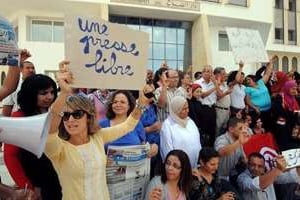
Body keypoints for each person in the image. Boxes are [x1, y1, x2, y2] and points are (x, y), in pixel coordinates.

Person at [45, 60, 148, 200]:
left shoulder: (98, 137)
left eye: (77, 114)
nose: (70, 120)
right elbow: (49, 131)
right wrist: (64, 93)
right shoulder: (58, 149)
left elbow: (128, 125)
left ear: (88, 117)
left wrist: (140, 105)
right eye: (66, 115)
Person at [4, 74, 62, 200]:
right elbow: (10, 155)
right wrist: (27, 187)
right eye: (43, 93)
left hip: (58, 178)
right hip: (36, 183)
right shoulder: (19, 117)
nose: (49, 97)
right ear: (31, 94)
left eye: (52, 92)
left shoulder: (55, 114)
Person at [99, 90, 158, 156]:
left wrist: (153, 147)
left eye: (122, 102)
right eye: (115, 102)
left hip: (134, 165)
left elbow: (143, 146)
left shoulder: (137, 124)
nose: (118, 105)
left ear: (129, 106)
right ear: (111, 105)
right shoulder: (102, 124)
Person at [160, 96, 201, 168]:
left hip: (193, 166)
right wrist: (175, 166)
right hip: (178, 168)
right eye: (184, 109)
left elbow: (197, 142)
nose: (187, 111)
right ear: (176, 110)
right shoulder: (167, 126)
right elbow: (167, 150)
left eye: (187, 108)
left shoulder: (190, 121)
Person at [272, 80, 300, 150]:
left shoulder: (293, 98)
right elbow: (279, 112)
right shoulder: (280, 98)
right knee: (284, 144)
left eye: (295, 89)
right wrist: (293, 113)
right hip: (282, 127)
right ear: (287, 88)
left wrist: (294, 113)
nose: (294, 90)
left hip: (292, 125)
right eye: (292, 88)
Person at [245, 60, 273, 131]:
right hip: (258, 112)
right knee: (258, 129)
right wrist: (255, 108)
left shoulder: (261, 82)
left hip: (268, 110)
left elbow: (267, 73)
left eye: (249, 79)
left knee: (267, 128)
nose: (247, 81)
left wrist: (270, 63)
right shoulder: (248, 89)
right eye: (246, 80)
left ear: (254, 79)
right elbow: (247, 101)